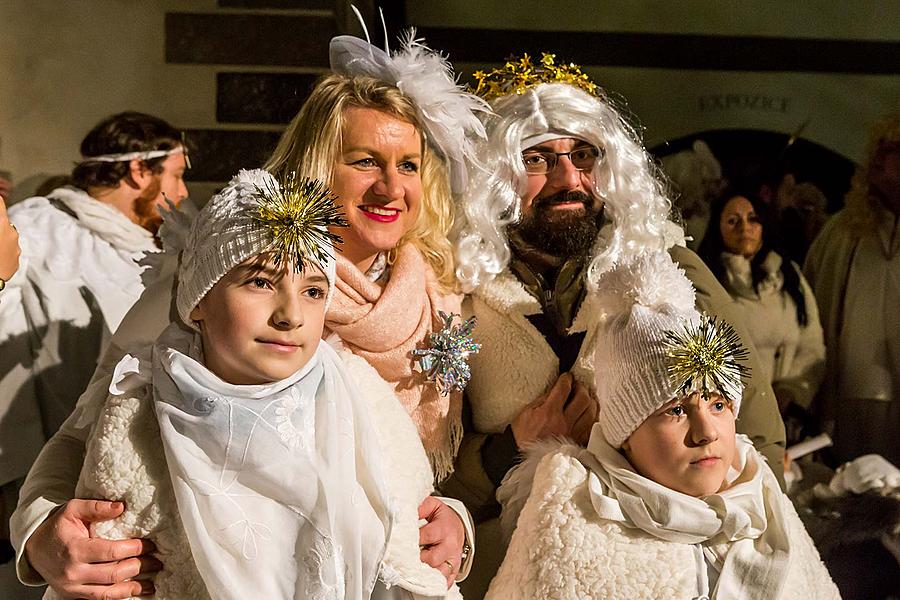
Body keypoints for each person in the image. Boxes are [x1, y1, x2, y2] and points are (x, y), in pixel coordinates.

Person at [11, 32, 485, 597]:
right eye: (365, 161)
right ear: (317, 165)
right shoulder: (213, 273)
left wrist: (456, 522)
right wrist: (39, 534)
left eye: (408, 165)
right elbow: (85, 429)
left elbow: (451, 469)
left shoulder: (443, 293)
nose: (391, 187)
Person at [447, 53, 786, 595]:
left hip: (652, 577)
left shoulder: (674, 270)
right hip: (506, 573)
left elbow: (757, 433)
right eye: (538, 159)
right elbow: (424, 469)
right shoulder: (458, 294)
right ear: (497, 174)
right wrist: (510, 446)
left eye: (584, 156)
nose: (568, 179)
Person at [39, 168, 462, 600]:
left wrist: (452, 528)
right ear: (199, 299)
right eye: (260, 282)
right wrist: (41, 536)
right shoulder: (138, 407)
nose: (290, 315)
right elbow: (95, 527)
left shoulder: (356, 395)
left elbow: (415, 520)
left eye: (314, 292)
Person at [484, 252, 839, 599]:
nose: (707, 432)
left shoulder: (762, 499)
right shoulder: (575, 523)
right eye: (675, 410)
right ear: (624, 434)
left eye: (719, 404)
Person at [0, 112, 188, 571]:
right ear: (139, 170)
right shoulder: (38, 227)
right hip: (45, 460)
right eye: (178, 175)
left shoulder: (157, 244)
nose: (183, 193)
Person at [804, 114, 900, 466]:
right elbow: (811, 305)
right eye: (887, 150)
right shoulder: (843, 231)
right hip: (852, 391)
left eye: (895, 150)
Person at [698, 190, 825, 436]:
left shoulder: (789, 277)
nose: (744, 227)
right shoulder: (709, 283)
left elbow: (812, 343)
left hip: (788, 416)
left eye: (753, 219)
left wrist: (793, 391)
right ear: (718, 228)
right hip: (735, 419)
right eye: (733, 221)